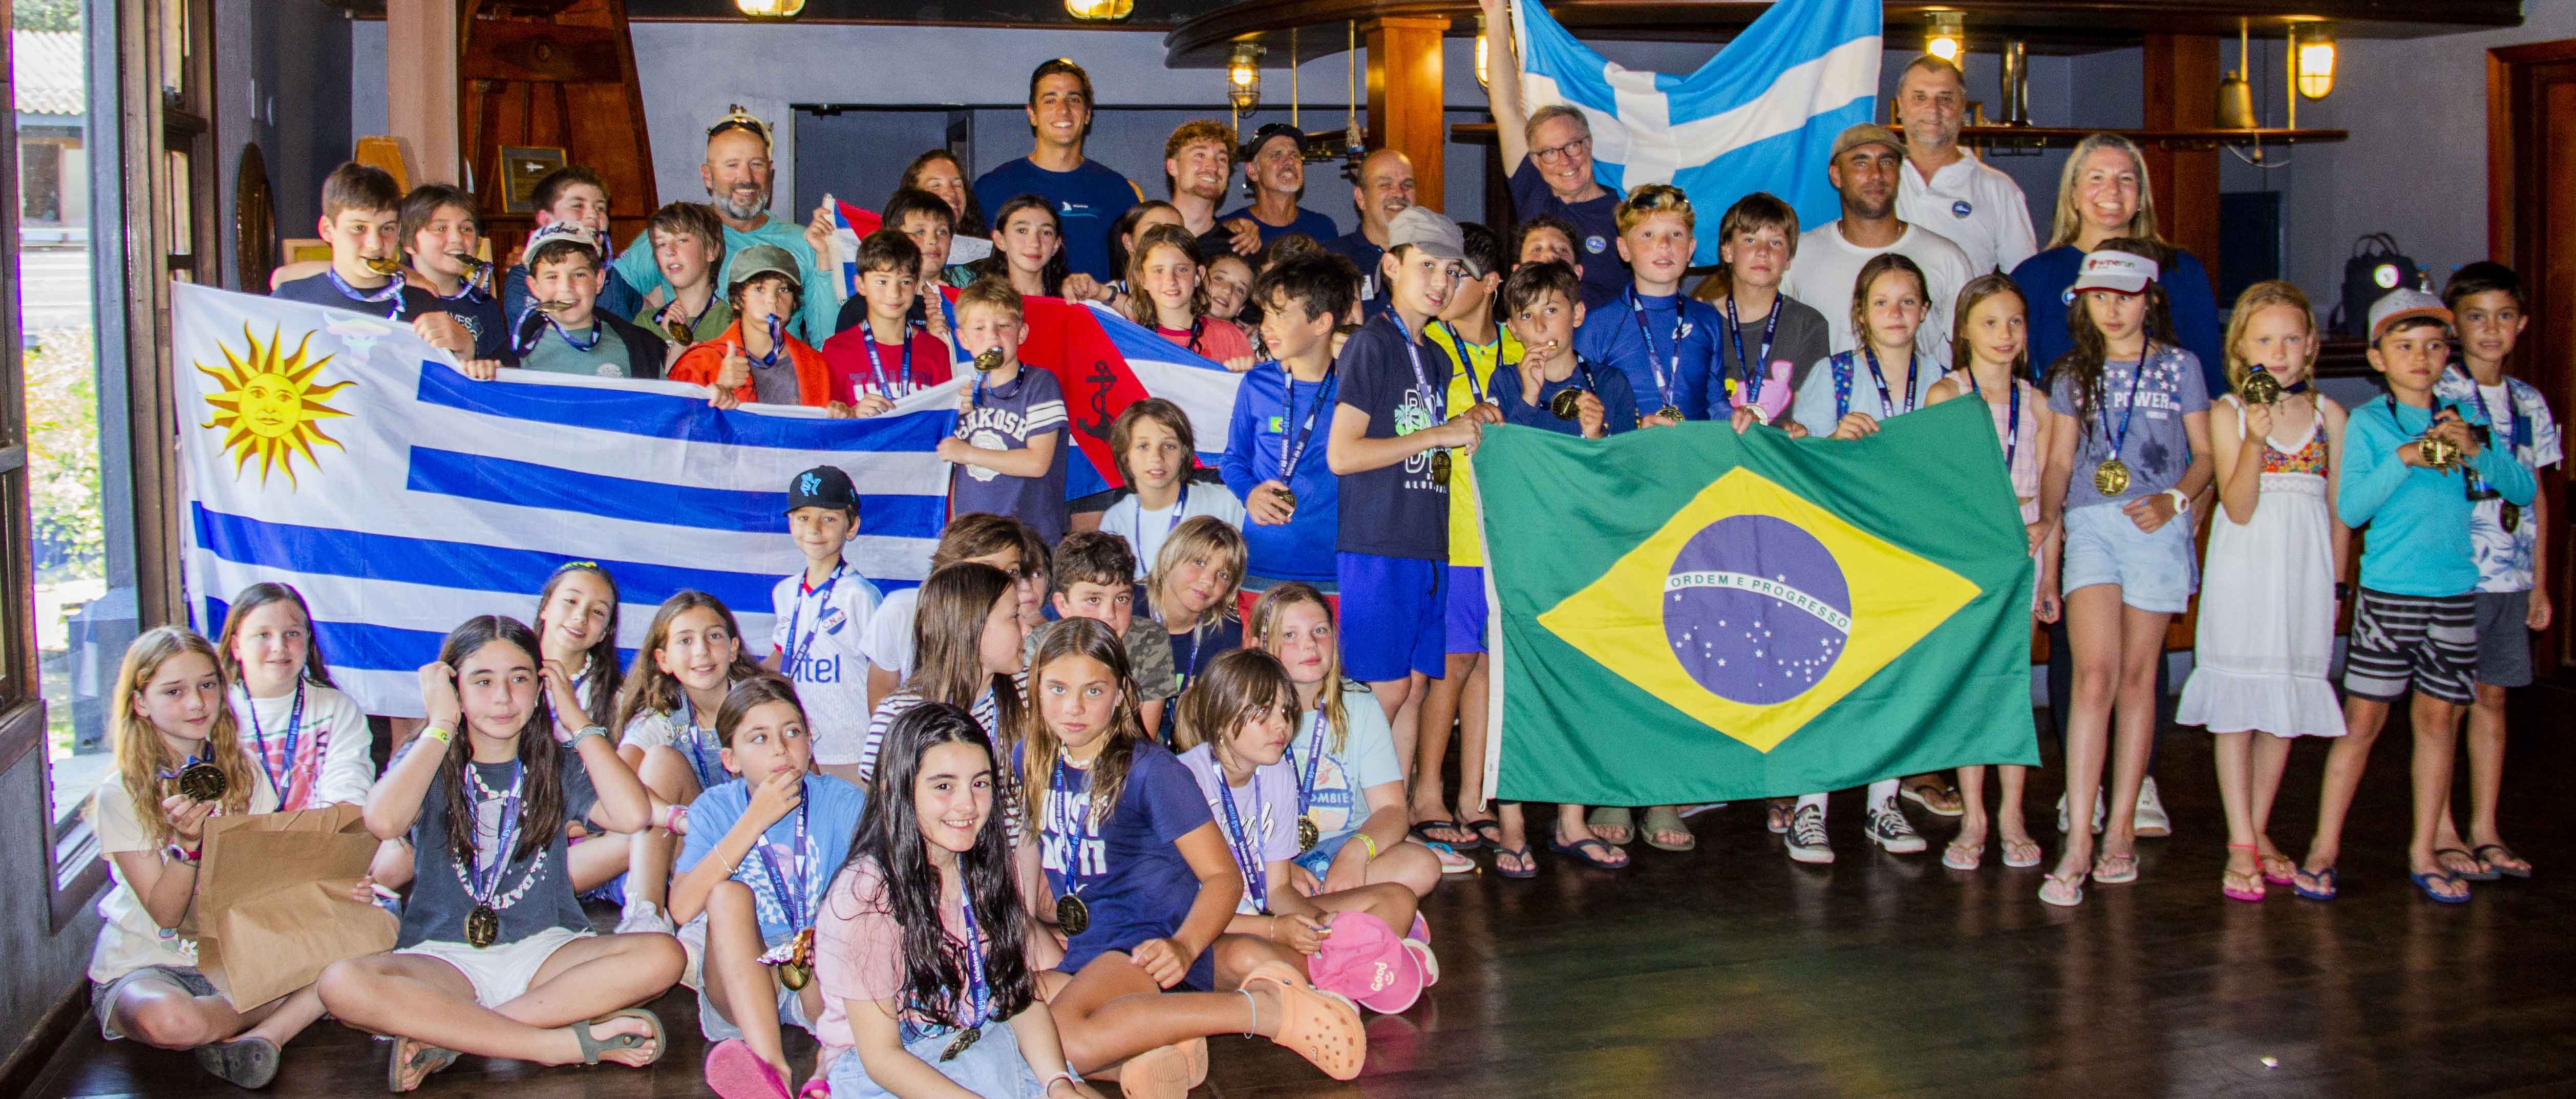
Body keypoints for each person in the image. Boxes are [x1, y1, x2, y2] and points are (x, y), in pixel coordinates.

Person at [318, 616, 680, 1093]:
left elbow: (633, 816)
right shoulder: (430, 755)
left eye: (519, 679)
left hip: (547, 953)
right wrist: (442, 723)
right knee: (340, 982)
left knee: (663, 955)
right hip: (444, 959)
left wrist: (576, 720)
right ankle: (554, 1046)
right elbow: (383, 822)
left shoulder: (558, 762)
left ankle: (454, 1036)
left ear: (540, 687)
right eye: (482, 681)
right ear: (454, 688)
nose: (503, 698)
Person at [1015, 618, 1366, 1095]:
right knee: (1004, 1015)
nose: (1073, 707)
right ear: (1033, 688)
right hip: (1090, 947)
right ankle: (1156, 1053)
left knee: (1063, 1041)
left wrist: (1183, 946)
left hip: (1148, 942)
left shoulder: (1151, 772)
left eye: (1093, 691)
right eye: (1056, 688)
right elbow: (1034, 848)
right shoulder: (1031, 758)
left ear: (1121, 694)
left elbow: (1224, 879)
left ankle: (1264, 1010)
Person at [2294, 290, 2535, 905]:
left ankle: (2426, 848)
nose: (2421, 359)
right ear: (2378, 357)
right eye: (2405, 347)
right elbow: (2352, 508)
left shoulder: (2462, 417)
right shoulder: (2372, 423)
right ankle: (2324, 846)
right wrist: (2409, 455)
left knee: (2437, 722)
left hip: (2456, 592)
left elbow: (2521, 489)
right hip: (2390, 594)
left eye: (2433, 347)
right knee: (2364, 721)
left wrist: (2475, 447)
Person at [85, 627, 356, 1089]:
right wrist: (188, 849)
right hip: (151, 961)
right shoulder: (121, 794)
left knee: (366, 929)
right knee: (173, 1025)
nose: (197, 704)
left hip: (237, 955)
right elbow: (167, 915)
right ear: (141, 703)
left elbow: (269, 877)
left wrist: (334, 880)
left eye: (208, 685)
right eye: (174, 691)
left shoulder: (244, 770)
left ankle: (258, 1026)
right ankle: (292, 1005)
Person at [2033, 246, 2215, 907]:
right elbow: (2056, 461)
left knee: (2139, 677)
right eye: (2099, 295)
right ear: (2083, 301)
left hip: (2154, 527)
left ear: (2150, 298)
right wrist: (2047, 515)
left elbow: (2205, 454)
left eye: (2125, 294)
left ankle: (2118, 831)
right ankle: (2076, 835)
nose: (2111, 307)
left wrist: (2177, 499)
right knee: (2092, 672)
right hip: (2089, 524)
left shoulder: (2180, 366)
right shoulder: (2067, 375)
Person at [812, 703, 1103, 1099]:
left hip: (980, 1037)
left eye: (980, 784)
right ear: (897, 789)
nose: (968, 805)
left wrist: (1057, 1082)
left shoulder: (988, 872)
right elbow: (881, 1057)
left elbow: (1020, 1001)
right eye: (943, 786)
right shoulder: (865, 898)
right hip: (888, 1070)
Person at [2172, 280, 2347, 901]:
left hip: (2302, 575)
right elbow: (2239, 507)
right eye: (2265, 339)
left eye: (2292, 338)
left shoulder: (2331, 417)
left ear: (2311, 347)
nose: (2279, 350)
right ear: (2241, 347)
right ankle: (2240, 840)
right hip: (2246, 571)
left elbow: (2338, 513)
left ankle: (2262, 826)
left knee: (2284, 706)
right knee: (2240, 707)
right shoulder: (2227, 412)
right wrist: (2254, 436)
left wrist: (2335, 587)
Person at [1172, 649, 1433, 1013]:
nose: (1281, 725)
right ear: (1220, 717)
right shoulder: (1183, 782)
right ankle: (1368, 963)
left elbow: (1277, 889)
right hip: (1205, 930)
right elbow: (1178, 912)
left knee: (1398, 899)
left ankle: (1342, 972)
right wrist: (1278, 931)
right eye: (1263, 713)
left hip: (1267, 917)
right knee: (1250, 959)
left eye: (1284, 711)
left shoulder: (1276, 771)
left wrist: (1315, 925)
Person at [1327, 205, 1484, 798]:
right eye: (1427, 266)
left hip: (1428, 543)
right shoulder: (1372, 344)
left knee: (1415, 686)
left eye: (1452, 271)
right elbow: (1342, 455)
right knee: (1383, 692)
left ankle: (1388, 824)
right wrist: (1440, 435)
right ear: (1390, 265)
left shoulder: (1437, 356)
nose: (1441, 282)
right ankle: (1337, 819)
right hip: (1379, 544)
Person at [1922, 274, 2059, 873]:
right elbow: (1936, 491)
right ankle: (1976, 813)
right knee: (1974, 686)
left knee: (2013, 688)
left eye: (2015, 323)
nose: (2004, 335)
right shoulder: (1945, 395)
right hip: (1971, 555)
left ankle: (2013, 812)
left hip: (2023, 556)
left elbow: (2051, 506)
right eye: (1990, 323)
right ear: (1964, 332)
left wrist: (2049, 576)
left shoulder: (2040, 403)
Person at [678, 678, 867, 1099]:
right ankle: (772, 1072)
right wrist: (753, 821)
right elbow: (681, 907)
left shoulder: (841, 800)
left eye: (792, 732)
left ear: (809, 742)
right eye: (759, 738)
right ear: (730, 758)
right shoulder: (715, 807)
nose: (781, 748)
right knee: (727, 896)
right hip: (742, 977)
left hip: (819, 971)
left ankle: (826, 1070)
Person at [2429, 262, 2552, 881]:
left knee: (2493, 699)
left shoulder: (2531, 400)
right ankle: (2442, 828)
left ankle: (2485, 827)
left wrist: (2541, 580)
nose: (2491, 329)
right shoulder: (2439, 395)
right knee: (2446, 704)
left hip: (2510, 578)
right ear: (2454, 325)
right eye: (2476, 317)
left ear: (2522, 324)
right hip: (2456, 575)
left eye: (2504, 317)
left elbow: (2536, 494)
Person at [1412, 223, 1520, 860]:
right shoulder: (1429, 346)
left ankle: (1475, 795)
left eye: (1457, 276)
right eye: (1440, 275)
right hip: (1449, 530)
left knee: (1487, 667)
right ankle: (1428, 791)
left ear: (1491, 284)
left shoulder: (1517, 345)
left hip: (1509, 536)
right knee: (1449, 666)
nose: (1445, 286)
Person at [1250, 583, 1450, 895]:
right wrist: (1281, 868)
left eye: (1320, 631)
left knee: (1423, 865)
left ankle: (1305, 914)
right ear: (1260, 647)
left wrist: (1356, 853)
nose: (1310, 646)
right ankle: (1336, 914)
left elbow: (1392, 811)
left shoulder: (1359, 704)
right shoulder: (1244, 709)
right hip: (1266, 855)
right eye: (1290, 635)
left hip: (1341, 848)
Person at [2010, 133, 2224, 395]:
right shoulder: (2034, 277)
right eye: (2097, 178)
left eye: (2126, 179)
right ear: (2073, 195)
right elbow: (2013, 381)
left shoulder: (2181, 271)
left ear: (2140, 198)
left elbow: (2209, 382)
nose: (2112, 190)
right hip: (2064, 430)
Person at [613, 107, 839, 345]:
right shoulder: (677, 235)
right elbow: (611, 297)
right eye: (732, 165)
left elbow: (829, 342)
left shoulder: (804, 242)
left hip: (776, 377)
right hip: (690, 375)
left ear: (770, 173)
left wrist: (825, 257)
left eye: (756, 164)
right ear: (707, 176)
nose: (747, 178)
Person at [1779, 123, 1976, 360]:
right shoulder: (1799, 256)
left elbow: (1972, 352)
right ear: (1836, 175)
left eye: (1887, 162)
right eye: (1861, 163)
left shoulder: (1946, 257)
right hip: (1826, 396)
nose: (1876, 174)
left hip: (1922, 396)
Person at [1477, 0, 1627, 307]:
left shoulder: (1624, 213)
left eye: (1573, 146)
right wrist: (1494, 13)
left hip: (1608, 350)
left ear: (1589, 145)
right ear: (1534, 161)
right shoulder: (1536, 196)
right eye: (1549, 152)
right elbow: (1505, 109)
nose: (1565, 160)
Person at [1225, 253, 1353, 609]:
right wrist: (1249, 494)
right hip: (1264, 563)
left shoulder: (1356, 387)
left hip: (1337, 570)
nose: (1266, 326)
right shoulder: (1256, 383)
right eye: (1266, 313)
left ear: (1321, 322)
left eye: (1280, 315)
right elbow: (1233, 460)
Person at [270, 162, 476, 365]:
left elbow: (438, 386)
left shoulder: (423, 305)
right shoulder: (291, 300)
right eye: (359, 228)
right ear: (327, 229)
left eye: (387, 229)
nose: (375, 243)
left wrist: (466, 352)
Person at [972, 59, 1143, 283]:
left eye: (1073, 100)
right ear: (1032, 114)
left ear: (1088, 113)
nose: (1063, 110)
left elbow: (1138, 275)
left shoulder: (1117, 190)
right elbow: (969, 274)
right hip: (1015, 315)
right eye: (1050, 100)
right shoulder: (991, 188)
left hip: (1093, 317)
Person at [768, 466, 887, 786]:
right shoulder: (785, 592)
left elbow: (885, 672)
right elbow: (782, 655)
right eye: (803, 518)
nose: (814, 529)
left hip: (853, 748)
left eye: (829, 519)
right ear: (791, 523)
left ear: (852, 527)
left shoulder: (861, 596)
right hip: (799, 748)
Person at [859, 562, 1029, 787]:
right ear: (972, 629)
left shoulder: (1031, 692)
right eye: (1015, 617)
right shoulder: (899, 712)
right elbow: (888, 806)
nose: (1027, 629)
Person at [216, 582, 374, 814]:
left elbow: (348, 796)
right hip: (238, 845)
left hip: (319, 843)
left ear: (309, 641)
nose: (279, 647)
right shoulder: (216, 711)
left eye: (292, 634)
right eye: (263, 635)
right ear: (236, 646)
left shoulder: (337, 709)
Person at [1574, 184, 1719, 435]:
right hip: (1626, 464)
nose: (1664, 245)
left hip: (1697, 465)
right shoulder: (1597, 325)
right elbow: (1579, 416)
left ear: (1691, 248)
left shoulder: (1708, 319)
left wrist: (1740, 417)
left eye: (1676, 235)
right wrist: (1636, 428)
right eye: (1648, 235)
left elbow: (1716, 404)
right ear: (1624, 249)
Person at [941, 278, 1071, 544]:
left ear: (1022, 333)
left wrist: (967, 453)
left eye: (1003, 326)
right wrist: (949, 415)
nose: (992, 336)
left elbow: (1037, 463)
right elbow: (948, 472)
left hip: (1030, 538)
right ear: (963, 338)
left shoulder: (1040, 384)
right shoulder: (958, 396)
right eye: (979, 328)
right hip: (974, 539)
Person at [1891, 55, 2038, 277]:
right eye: (1920, 97)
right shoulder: (1879, 182)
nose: (1933, 109)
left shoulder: (1999, 190)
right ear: (1901, 105)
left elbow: (2026, 282)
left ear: (1962, 107)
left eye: (1945, 98)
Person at [1025, 532, 1183, 739]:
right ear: (1063, 605)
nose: (1109, 614)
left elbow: (1143, 738)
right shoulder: (1040, 643)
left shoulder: (1150, 639)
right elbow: (1035, 729)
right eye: (1093, 600)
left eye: (1122, 599)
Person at [1690, 193, 1827, 428]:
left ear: (1788, 259)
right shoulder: (1699, 323)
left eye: (1776, 243)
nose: (1763, 252)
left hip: (1778, 459)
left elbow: (1817, 414)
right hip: (1715, 458)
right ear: (1727, 251)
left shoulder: (1809, 324)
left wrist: (1803, 429)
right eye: (1750, 240)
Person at [864, 513, 1032, 702]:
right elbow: (881, 688)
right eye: (987, 568)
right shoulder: (900, 610)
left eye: (1012, 571)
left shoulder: (1015, 622)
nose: (1002, 580)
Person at [1789, 253, 1946, 442]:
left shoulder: (1943, 382)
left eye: (1908, 302)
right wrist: (1835, 441)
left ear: (1923, 310)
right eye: (1881, 303)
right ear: (1861, 312)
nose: (1895, 313)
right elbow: (1806, 458)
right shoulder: (1833, 375)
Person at [667, 244, 835, 409]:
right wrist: (716, 390)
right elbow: (672, 427)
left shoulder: (815, 364)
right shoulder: (700, 363)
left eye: (784, 289)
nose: (773, 300)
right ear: (737, 299)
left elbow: (825, 431)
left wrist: (842, 415)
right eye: (760, 289)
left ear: (794, 302)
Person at [1101, 399, 1248, 577]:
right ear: (1126, 456)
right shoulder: (1116, 519)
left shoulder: (1227, 503)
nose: (1157, 457)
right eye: (1143, 446)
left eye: (1169, 446)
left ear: (1185, 453)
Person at [503, 223, 669, 381]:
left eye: (579, 275)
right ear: (535, 287)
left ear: (599, 281)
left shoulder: (643, 349)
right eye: (553, 277)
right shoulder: (508, 363)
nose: (566, 288)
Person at [821, 230, 957, 413]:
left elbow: (943, 421)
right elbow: (828, 425)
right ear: (861, 285)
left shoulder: (936, 350)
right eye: (883, 282)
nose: (895, 293)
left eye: (905, 282)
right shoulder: (835, 350)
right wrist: (853, 414)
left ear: (916, 286)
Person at [1145, 516, 1249, 747]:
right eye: (1199, 563)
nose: (1208, 580)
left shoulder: (1228, 635)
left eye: (1223, 575)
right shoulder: (1128, 607)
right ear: (1169, 558)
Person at [502, 164, 644, 327]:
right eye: (578, 206)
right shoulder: (524, 279)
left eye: (600, 208)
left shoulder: (610, 276)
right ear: (546, 221)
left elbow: (644, 310)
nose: (593, 215)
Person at [399, 184, 512, 364]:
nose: (457, 239)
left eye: (466, 229)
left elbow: (506, 373)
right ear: (409, 242)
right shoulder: (393, 297)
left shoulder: (485, 306)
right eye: (440, 229)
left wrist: (471, 352)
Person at [1120, 225, 1257, 370]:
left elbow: (1259, 389)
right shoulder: (1129, 338)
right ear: (1142, 279)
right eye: (1159, 271)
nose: (1171, 280)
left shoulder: (1230, 338)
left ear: (1199, 276)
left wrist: (1244, 379)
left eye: (1182, 269)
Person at [1209, 123, 1341, 258]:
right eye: (1276, 155)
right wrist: (1222, 231)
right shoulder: (1232, 231)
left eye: (1295, 155)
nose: (1290, 161)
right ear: (1252, 171)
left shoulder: (1323, 228)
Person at [636, 201, 736, 356]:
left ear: (710, 251)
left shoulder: (733, 323)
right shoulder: (646, 324)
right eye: (661, 244)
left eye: (682, 240)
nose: (669, 251)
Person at [1321, 149, 1416, 310]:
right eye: (1386, 185)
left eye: (1407, 185)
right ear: (1361, 198)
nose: (1400, 194)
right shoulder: (1328, 262)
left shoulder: (1434, 260)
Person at [965, 195, 1073, 301]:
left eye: (1046, 233)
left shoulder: (1071, 301)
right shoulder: (978, 301)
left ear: (1056, 245)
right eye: (1022, 231)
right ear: (1000, 240)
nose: (1035, 243)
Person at [1163, 119, 1236, 239]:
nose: (1213, 167)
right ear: (1173, 167)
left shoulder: (1238, 250)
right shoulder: (1139, 234)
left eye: (1222, 159)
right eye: (1200, 155)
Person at [899, 147, 989, 241]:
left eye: (957, 185)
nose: (951, 193)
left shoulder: (986, 251)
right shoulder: (894, 252)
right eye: (936, 185)